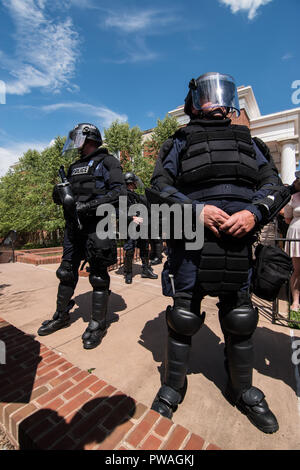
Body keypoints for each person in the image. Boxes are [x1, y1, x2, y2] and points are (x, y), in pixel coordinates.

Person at [146, 72, 295, 434]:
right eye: (207, 94)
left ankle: (241, 388)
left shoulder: (253, 143)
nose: (216, 101)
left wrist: (254, 213)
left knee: (241, 318)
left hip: (238, 243)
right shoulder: (178, 142)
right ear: (194, 102)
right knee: (183, 316)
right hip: (191, 245)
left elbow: (275, 186)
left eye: (222, 94)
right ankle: (173, 384)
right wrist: (194, 211)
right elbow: (158, 187)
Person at [38, 123, 126, 349]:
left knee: (97, 275)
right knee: (66, 272)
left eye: (78, 138)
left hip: (98, 225)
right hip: (73, 228)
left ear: (90, 139)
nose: (75, 143)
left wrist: (89, 206)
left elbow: (120, 193)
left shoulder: (108, 162)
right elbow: (64, 197)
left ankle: (98, 322)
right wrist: (59, 194)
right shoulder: (74, 166)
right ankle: (61, 315)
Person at [123, 171, 158, 284]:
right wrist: (132, 218)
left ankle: (146, 270)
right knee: (130, 250)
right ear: (130, 183)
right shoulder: (123, 195)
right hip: (130, 227)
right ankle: (128, 273)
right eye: (134, 182)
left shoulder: (135, 195)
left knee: (144, 247)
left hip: (141, 226)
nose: (136, 184)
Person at [284, 191, 300, 311]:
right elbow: (287, 218)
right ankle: (295, 301)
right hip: (296, 233)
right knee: (297, 270)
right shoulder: (293, 198)